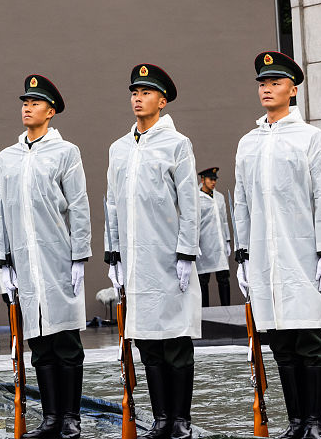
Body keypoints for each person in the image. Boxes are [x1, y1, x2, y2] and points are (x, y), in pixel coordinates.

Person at [233, 52, 321, 439]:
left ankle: (315, 423)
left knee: (309, 339)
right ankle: (295, 423)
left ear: (292, 90)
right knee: (280, 340)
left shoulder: (310, 137)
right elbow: (241, 201)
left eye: (275, 83)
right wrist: (242, 254)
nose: (266, 88)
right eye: (262, 82)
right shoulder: (248, 142)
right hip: (263, 256)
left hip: (304, 253)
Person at [105, 65, 200, 439]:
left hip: (167, 256)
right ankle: (161, 419)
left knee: (175, 341)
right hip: (134, 260)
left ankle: (180, 420)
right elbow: (111, 204)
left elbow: (190, 204)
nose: (137, 98)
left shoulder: (177, 144)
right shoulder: (119, 148)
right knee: (146, 342)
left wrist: (186, 254)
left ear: (162, 101)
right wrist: (112, 254)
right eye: (134, 92)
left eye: (145, 93)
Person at [0, 75, 91, 439]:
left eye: (35, 103)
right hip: (23, 262)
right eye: (24, 102)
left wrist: (79, 255)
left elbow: (78, 206)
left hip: (57, 258)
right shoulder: (8, 157)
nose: (27, 108)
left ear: (50, 111)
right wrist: (4, 263)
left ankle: (71, 417)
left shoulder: (65, 152)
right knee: (39, 344)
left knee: (66, 341)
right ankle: (50, 417)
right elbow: (0, 211)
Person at [195, 167, 232, 308]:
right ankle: (204, 314)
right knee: (203, 279)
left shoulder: (219, 197)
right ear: (203, 179)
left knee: (223, 278)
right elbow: (194, 222)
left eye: (215, 180)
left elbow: (224, 220)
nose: (213, 182)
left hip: (219, 243)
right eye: (211, 179)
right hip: (204, 244)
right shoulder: (196, 198)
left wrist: (227, 240)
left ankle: (227, 309)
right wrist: (194, 243)